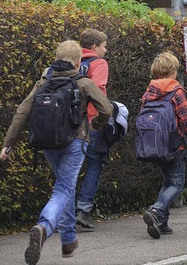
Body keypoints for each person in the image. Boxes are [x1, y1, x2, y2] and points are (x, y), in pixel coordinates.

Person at [0, 40, 112, 265]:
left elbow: (23, 111)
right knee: (63, 188)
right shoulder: (83, 82)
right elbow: (106, 109)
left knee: (64, 185)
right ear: (79, 61)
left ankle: (68, 241)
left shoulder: (44, 82)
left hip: (48, 143)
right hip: (75, 142)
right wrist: (96, 125)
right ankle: (45, 225)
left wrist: (8, 144)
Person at [141, 52, 187, 239]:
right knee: (177, 183)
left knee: (167, 181)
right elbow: (185, 118)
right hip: (174, 144)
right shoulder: (176, 91)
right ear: (172, 71)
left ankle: (161, 223)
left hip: (154, 145)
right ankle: (156, 210)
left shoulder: (149, 91)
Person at [75, 28, 109, 231]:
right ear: (95, 46)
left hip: (70, 123)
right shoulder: (99, 63)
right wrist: (99, 117)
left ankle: (65, 214)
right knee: (95, 163)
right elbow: (98, 90)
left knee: (71, 167)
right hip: (91, 121)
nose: (106, 50)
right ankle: (83, 210)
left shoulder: (73, 61)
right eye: (104, 46)